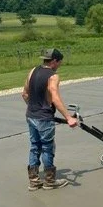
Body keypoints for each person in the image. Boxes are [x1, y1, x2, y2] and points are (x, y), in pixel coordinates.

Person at [22, 48, 78, 190]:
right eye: (59, 62)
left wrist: (34, 107)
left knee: (35, 147)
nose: (59, 65)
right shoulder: (53, 76)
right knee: (47, 148)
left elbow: (24, 94)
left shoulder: (32, 71)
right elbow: (55, 97)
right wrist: (69, 117)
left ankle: (34, 181)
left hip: (31, 116)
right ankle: (50, 181)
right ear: (54, 61)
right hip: (44, 118)